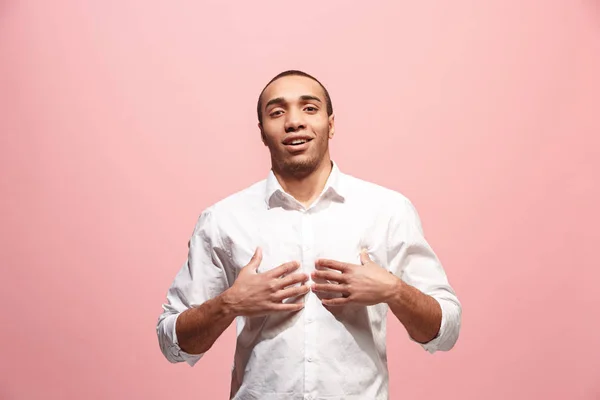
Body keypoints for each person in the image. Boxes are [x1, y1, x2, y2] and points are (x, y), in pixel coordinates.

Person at [156, 70, 462, 400]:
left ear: (331, 124)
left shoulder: (387, 210)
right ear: (262, 132)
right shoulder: (223, 219)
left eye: (309, 108)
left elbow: (445, 332)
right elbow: (173, 344)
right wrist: (229, 303)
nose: (294, 122)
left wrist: (394, 290)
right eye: (277, 112)